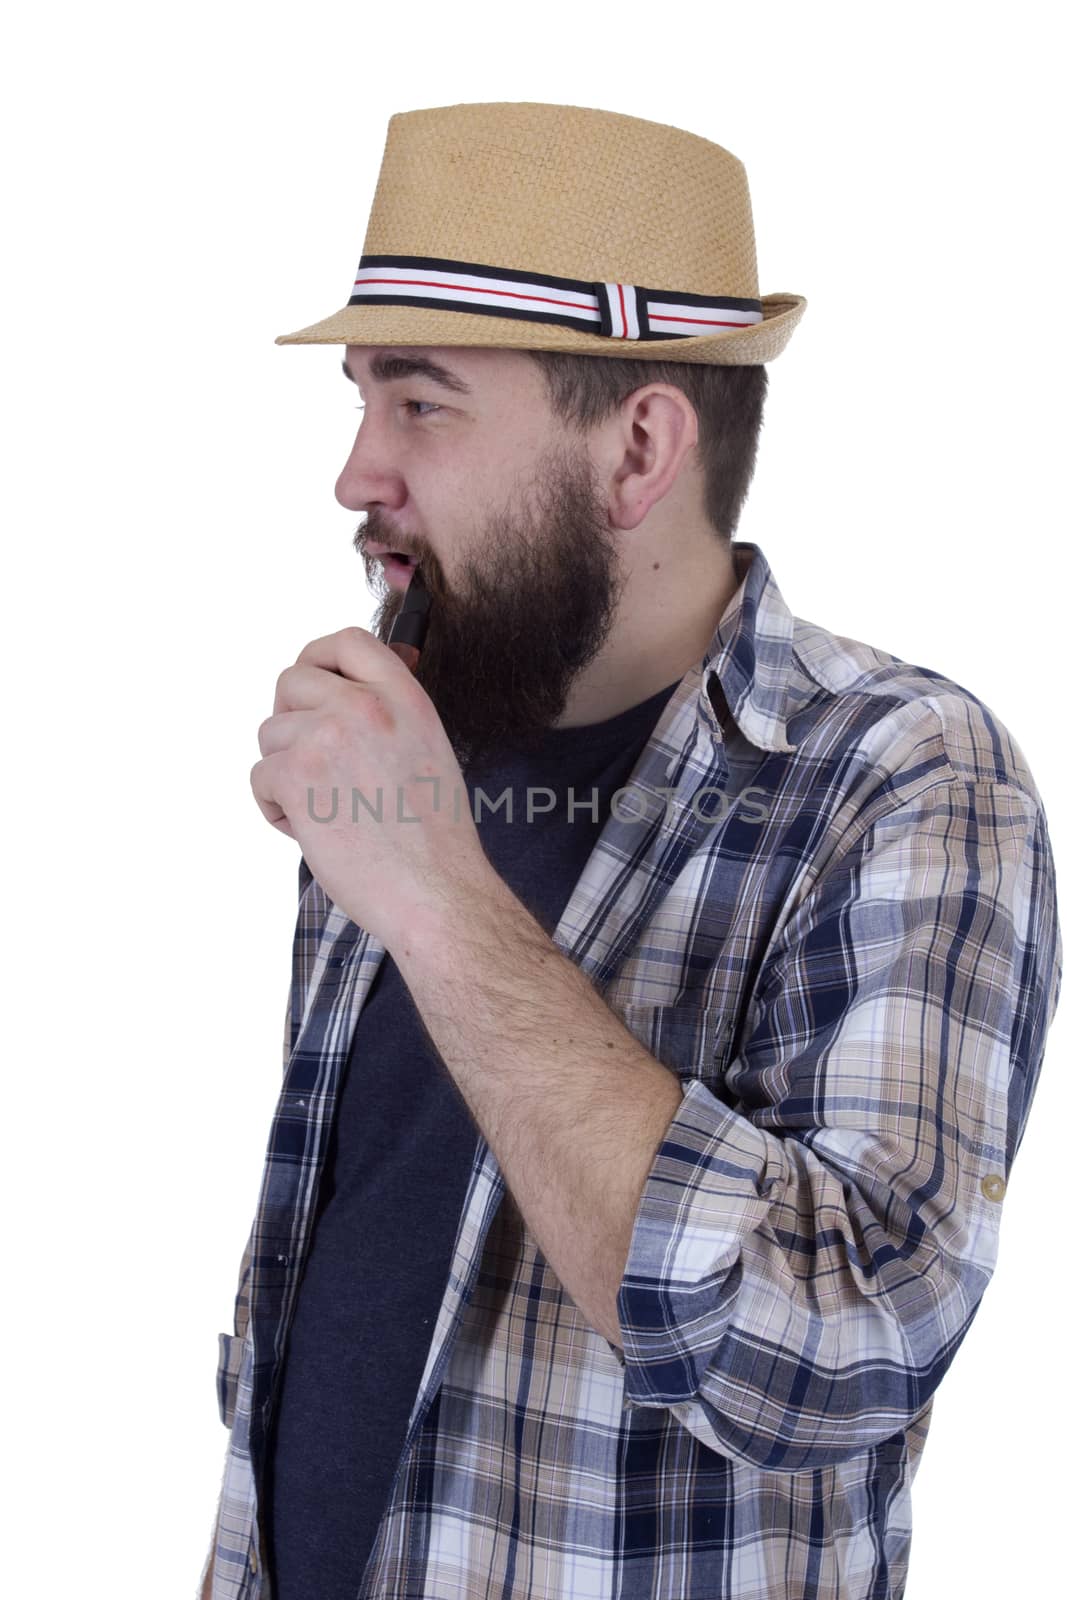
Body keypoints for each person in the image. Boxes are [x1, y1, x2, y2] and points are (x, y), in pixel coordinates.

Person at [199, 101, 1062, 1600]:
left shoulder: (903, 777)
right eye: (359, 400)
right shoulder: (421, 745)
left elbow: (824, 1355)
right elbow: (322, 1321)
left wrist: (443, 904)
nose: (355, 473)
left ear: (640, 444)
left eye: (423, 404)